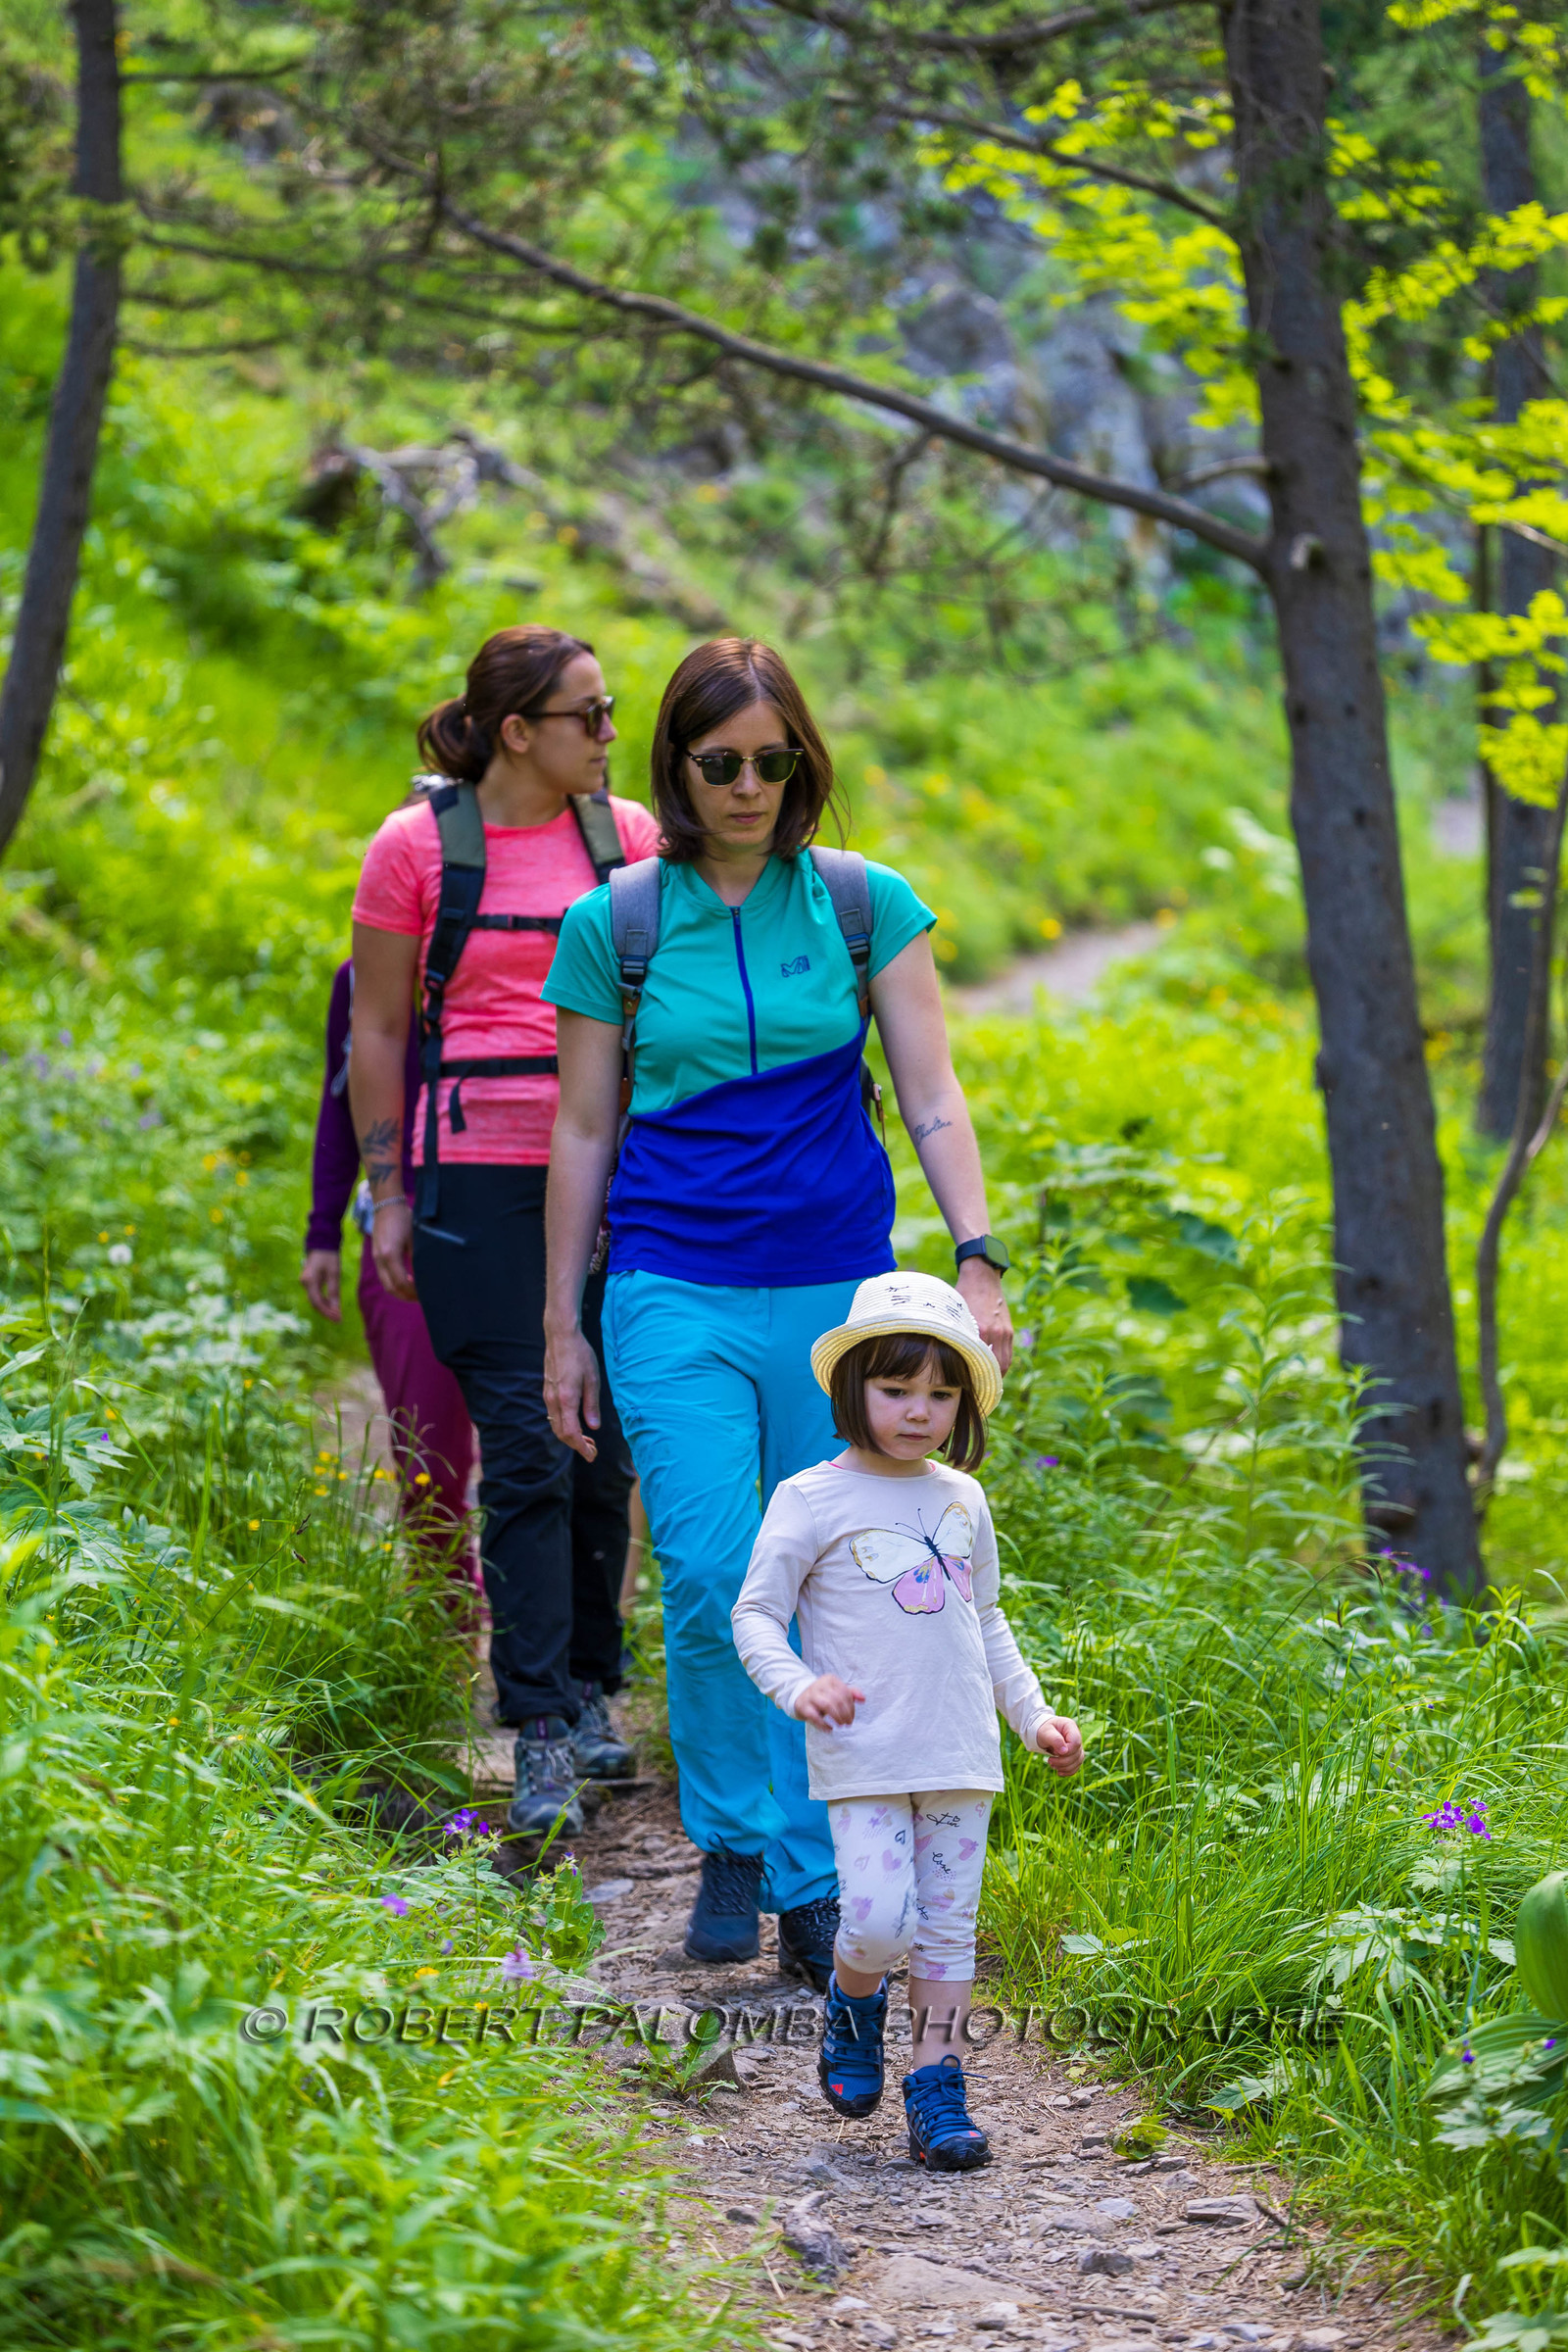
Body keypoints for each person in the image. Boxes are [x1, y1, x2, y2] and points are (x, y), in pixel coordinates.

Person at [541, 636, 1016, 1990]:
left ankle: (810, 1878)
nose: (749, 786)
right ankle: (733, 1839)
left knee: (831, 1580)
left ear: (801, 762)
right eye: (720, 764)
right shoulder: (615, 925)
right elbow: (581, 1132)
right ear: (677, 771)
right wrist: (560, 1323)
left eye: (772, 761)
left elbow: (931, 1093)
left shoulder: (865, 906)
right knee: (707, 1570)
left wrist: (975, 1262)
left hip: (832, 1290)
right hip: (669, 1283)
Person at [349, 624, 662, 1835]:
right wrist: (387, 1194)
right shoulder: (414, 846)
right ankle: (534, 1722)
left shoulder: (626, 838)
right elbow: (378, 1032)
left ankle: (591, 1690)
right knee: (526, 1447)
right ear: (518, 730)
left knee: (607, 1447)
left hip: (624, 1178)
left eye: (612, 709)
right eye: (589, 713)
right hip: (474, 1180)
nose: (609, 732)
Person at [731, 1271, 1083, 2171]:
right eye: (896, 1390)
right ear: (853, 1387)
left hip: (961, 1746)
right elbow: (756, 1615)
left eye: (940, 1393)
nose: (919, 1411)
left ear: (964, 1400)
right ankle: (854, 2003)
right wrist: (798, 1685)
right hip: (866, 1752)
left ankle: (937, 2085)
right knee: (881, 1920)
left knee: (948, 1929)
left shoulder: (962, 1498)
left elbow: (987, 1619)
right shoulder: (811, 1498)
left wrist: (1034, 1716)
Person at [301, 958, 474, 1578]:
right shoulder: (358, 977)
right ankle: (447, 1638)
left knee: (538, 1462)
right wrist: (322, 1229)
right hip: (401, 1245)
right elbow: (341, 1094)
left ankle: (553, 1653)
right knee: (428, 1461)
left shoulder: (530, 940)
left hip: (527, 1232)